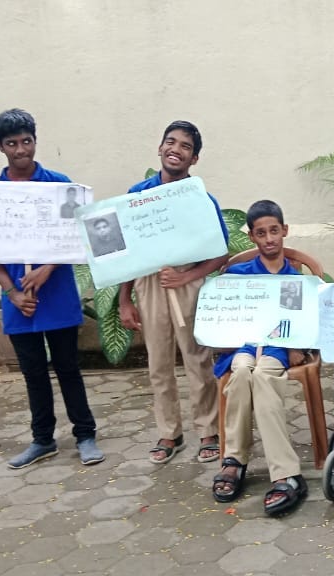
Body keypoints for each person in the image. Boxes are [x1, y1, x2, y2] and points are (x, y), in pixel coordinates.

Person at [0, 108, 103, 469]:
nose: (21, 150)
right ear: (0, 147)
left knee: (68, 367)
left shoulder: (58, 184)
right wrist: (13, 292)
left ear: (35, 141)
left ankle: (85, 434)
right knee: (33, 373)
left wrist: (47, 270)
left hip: (56, 294)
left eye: (26, 141)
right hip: (20, 302)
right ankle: (42, 440)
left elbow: (75, 235)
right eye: (12, 143)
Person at [119, 121, 230, 464]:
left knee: (197, 358)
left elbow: (219, 253)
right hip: (150, 281)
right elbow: (126, 252)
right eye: (170, 142)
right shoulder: (138, 195)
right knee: (159, 363)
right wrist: (125, 299)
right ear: (159, 148)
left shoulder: (199, 198)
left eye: (185, 146)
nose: (175, 150)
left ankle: (208, 430)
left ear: (194, 158)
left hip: (186, 281)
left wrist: (189, 277)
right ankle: (170, 433)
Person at [211, 200, 308, 516]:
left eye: (274, 231)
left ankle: (285, 472)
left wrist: (298, 348)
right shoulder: (239, 275)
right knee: (241, 371)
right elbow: (222, 318)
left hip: (277, 349)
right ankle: (234, 460)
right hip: (243, 347)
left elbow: (302, 324)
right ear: (252, 236)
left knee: (263, 376)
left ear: (285, 232)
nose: (269, 239)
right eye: (261, 233)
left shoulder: (294, 280)